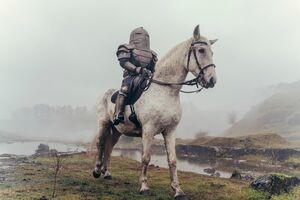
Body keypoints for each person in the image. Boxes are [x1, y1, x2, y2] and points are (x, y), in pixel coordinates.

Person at [113, 27, 157, 125]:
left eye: (145, 36)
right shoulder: (127, 48)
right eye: (139, 34)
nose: (143, 37)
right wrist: (136, 69)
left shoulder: (152, 54)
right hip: (131, 76)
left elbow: (153, 68)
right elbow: (123, 62)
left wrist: (150, 73)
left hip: (146, 77)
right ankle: (118, 113)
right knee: (124, 90)